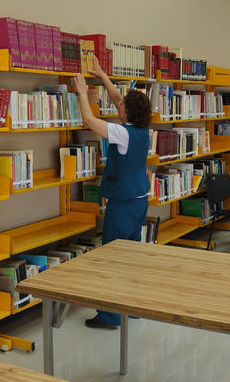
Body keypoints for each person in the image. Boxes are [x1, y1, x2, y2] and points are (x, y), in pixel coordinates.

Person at [72, 58, 151, 329]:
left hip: (123, 203)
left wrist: (83, 93)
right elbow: (118, 99)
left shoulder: (122, 133)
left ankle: (109, 315)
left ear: (128, 113)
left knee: (112, 258)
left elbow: (89, 120)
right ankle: (131, 306)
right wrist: (102, 75)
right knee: (131, 257)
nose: (119, 106)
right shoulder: (142, 130)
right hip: (139, 200)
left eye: (123, 107)